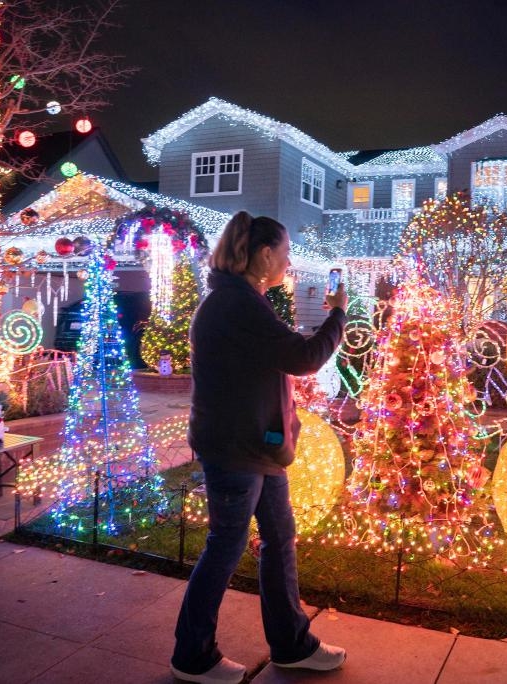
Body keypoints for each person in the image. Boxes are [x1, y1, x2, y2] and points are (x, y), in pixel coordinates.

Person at [171, 212, 349, 684]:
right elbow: (303, 357)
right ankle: (193, 656)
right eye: (285, 252)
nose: (288, 262)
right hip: (236, 450)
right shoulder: (236, 305)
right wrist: (338, 314)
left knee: (278, 540)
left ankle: (291, 645)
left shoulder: (241, 301)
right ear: (264, 254)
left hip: (257, 448)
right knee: (225, 547)